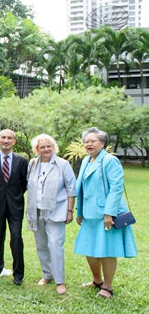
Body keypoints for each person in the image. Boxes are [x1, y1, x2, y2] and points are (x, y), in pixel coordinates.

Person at [74, 127, 137, 299]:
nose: (88, 144)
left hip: (105, 215)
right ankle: (97, 280)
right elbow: (81, 188)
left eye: (92, 141)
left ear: (102, 143)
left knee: (107, 250)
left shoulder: (110, 160)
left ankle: (107, 287)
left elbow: (116, 188)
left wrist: (109, 213)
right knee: (89, 249)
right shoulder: (87, 161)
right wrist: (79, 210)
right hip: (88, 214)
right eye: (86, 141)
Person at [26, 134, 76, 295]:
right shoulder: (33, 164)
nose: (46, 149)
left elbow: (71, 189)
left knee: (55, 244)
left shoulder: (62, 164)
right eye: (42, 147)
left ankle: (60, 281)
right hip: (36, 210)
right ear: (37, 149)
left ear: (53, 147)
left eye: (49, 146)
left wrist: (69, 210)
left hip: (57, 210)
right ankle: (47, 275)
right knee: (41, 244)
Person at [0, 129, 28, 285]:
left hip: (15, 206)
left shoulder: (22, 161)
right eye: (3, 137)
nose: (6, 140)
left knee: (16, 238)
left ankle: (18, 274)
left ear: (14, 142)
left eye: (9, 138)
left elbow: (24, 184)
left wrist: (15, 196)